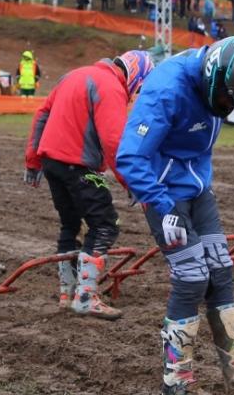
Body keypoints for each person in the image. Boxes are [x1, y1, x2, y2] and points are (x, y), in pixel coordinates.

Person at [116, 37, 234, 395]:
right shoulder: (167, 90)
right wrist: (161, 204)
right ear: (216, 81)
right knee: (191, 277)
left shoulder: (216, 85)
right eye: (228, 101)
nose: (228, 107)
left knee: (220, 268)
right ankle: (176, 380)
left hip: (198, 190)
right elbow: (129, 157)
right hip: (164, 195)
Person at [24, 51, 154, 319]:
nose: (136, 94)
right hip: (79, 165)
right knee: (105, 224)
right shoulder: (110, 86)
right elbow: (114, 141)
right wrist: (132, 182)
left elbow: (42, 114)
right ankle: (86, 297)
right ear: (136, 76)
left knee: (70, 224)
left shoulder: (73, 75)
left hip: (52, 162)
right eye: (140, 87)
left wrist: (33, 160)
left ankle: (67, 292)